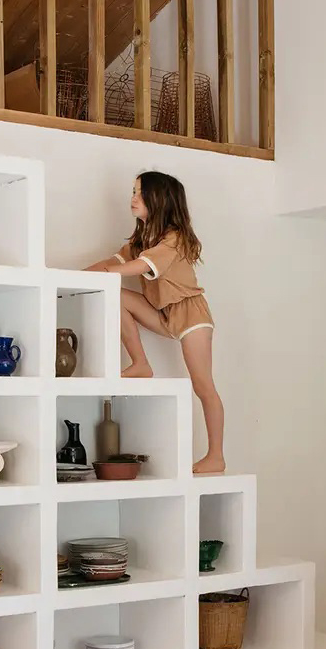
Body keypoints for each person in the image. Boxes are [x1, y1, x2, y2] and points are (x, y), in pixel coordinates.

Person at [86, 172, 225, 475]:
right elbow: (111, 263)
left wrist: (107, 272)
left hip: (190, 315)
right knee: (115, 296)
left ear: (159, 199)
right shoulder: (140, 240)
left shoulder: (175, 238)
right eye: (133, 191)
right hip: (162, 313)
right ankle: (141, 364)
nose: (133, 198)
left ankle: (216, 455)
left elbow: (141, 266)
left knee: (203, 386)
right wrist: (71, 276)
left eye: (140, 193)